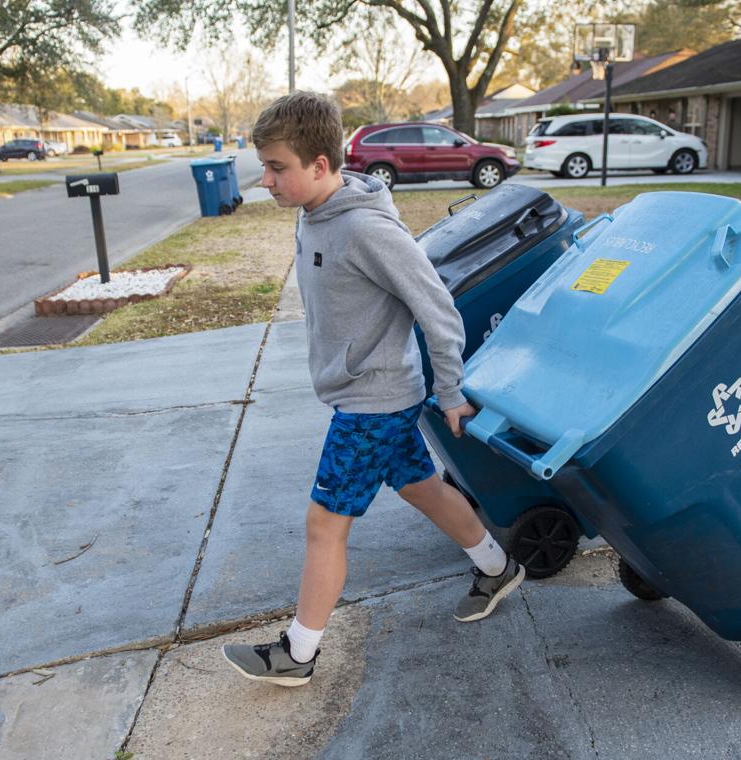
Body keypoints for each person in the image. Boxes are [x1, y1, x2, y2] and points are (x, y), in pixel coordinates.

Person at [221, 92, 526, 687]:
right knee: (423, 489)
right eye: (265, 167)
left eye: (277, 167)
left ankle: (298, 655)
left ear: (318, 164)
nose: (266, 181)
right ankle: (497, 567)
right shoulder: (315, 215)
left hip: (373, 403)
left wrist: (450, 391)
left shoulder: (365, 228)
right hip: (365, 392)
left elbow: (436, 306)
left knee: (324, 523)